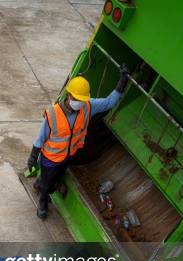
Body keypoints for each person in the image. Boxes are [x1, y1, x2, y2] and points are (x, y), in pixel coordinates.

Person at [27, 64, 130, 220]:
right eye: (77, 99)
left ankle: (42, 185)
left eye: (82, 99)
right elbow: (40, 138)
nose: (80, 103)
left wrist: (123, 80)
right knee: (47, 183)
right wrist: (32, 157)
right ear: (69, 95)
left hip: (68, 156)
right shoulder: (53, 114)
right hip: (50, 159)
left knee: (55, 180)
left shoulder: (88, 107)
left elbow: (110, 102)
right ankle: (42, 203)